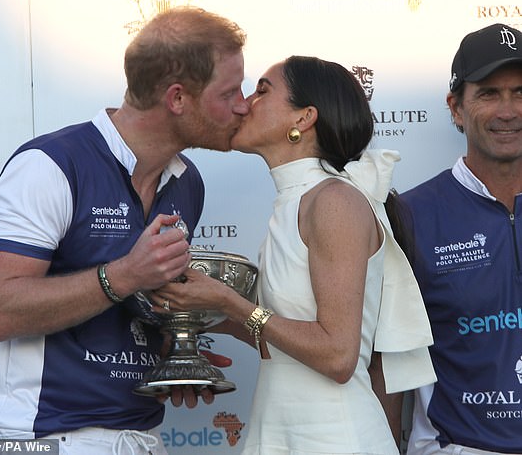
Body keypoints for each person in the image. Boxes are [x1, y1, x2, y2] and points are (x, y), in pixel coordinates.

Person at [0, 6, 249, 454]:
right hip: (48, 439)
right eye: (230, 91)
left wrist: (176, 356)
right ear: (177, 99)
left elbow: (136, 312)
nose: (243, 105)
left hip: (141, 437)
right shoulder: (51, 165)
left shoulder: (187, 182)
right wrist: (123, 275)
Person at [151, 55, 436, 454]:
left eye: (262, 90)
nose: (244, 103)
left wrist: (229, 303)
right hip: (281, 431)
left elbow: (337, 355)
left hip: (332, 439)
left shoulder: (333, 200)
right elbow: (283, 340)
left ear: (303, 119)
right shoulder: (296, 201)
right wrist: (193, 315)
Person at [402, 23, 522, 454]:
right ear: (456, 107)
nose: (508, 110)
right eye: (489, 93)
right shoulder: (410, 214)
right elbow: (385, 359)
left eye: (521, 92)